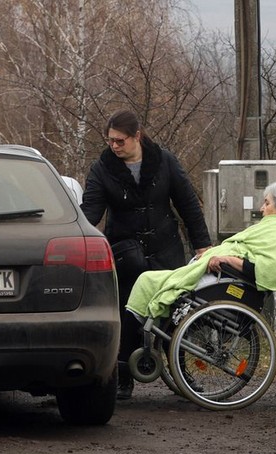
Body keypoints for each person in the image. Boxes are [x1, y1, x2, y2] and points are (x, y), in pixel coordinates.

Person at [82, 109, 212, 400]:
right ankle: (123, 376)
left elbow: (188, 204)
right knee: (128, 314)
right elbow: (90, 211)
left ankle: (181, 374)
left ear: (136, 136)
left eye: (120, 141)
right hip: (127, 253)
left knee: (175, 314)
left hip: (166, 250)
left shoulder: (164, 161)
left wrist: (202, 244)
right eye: (110, 141)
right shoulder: (102, 168)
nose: (114, 146)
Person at [125, 180, 276, 320]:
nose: (261, 208)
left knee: (147, 280)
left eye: (267, 203)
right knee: (149, 280)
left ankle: (129, 353)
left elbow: (266, 266)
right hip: (219, 273)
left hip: (227, 279)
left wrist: (226, 259)